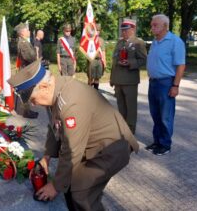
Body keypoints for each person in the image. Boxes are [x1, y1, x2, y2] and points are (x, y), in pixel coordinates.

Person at [8, 60, 139, 211]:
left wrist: (55, 186)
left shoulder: (71, 103)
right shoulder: (55, 89)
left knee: (82, 193)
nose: (34, 104)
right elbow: (54, 126)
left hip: (111, 147)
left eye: (32, 99)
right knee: (69, 184)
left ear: (44, 87)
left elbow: (72, 151)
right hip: (91, 144)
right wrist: (46, 157)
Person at [146, 14, 186, 156]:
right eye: (152, 25)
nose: (152, 28)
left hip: (166, 83)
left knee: (165, 116)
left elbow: (181, 65)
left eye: (155, 25)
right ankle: (157, 141)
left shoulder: (175, 41)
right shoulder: (155, 42)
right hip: (153, 83)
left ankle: (165, 144)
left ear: (164, 26)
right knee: (155, 114)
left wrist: (175, 86)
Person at [110, 19, 147, 134]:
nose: (123, 32)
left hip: (130, 81)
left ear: (132, 29)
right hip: (118, 80)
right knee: (121, 106)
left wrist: (130, 62)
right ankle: (122, 128)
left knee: (131, 107)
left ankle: (130, 131)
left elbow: (143, 60)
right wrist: (112, 79)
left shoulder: (138, 43)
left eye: (126, 30)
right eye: (122, 30)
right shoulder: (119, 43)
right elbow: (114, 62)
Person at [15, 23, 38, 119]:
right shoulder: (23, 43)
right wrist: (36, 57)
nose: (29, 32)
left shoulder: (25, 41)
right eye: (27, 30)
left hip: (28, 69)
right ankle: (25, 112)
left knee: (28, 91)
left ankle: (27, 110)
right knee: (26, 92)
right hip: (26, 70)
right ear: (22, 33)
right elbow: (29, 57)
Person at [87, 24, 106, 90]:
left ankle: (96, 91)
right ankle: (89, 92)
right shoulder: (90, 39)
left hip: (99, 61)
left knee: (97, 77)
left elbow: (103, 52)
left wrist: (104, 62)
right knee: (90, 77)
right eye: (96, 30)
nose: (97, 32)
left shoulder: (101, 40)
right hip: (92, 60)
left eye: (98, 30)